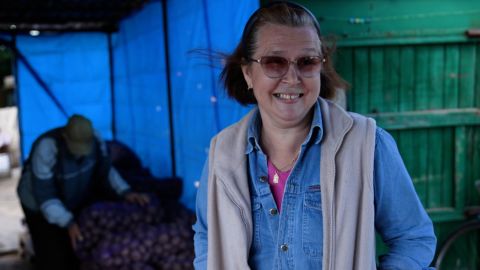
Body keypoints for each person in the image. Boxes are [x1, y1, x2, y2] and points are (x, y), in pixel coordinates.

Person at [193, 2, 436, 270]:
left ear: (320, 68)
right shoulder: (223, 154)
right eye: (274, 62)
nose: (292, 78)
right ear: (248, 73)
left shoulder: (367, 145)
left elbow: (413, 238)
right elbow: (206, 235)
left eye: (307, 62)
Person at [17, 114, 149, 270]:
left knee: (74, 249)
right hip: (37, 204)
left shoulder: (96, 140)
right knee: (52, 254)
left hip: (68, 197)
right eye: (76, 147)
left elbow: (106, 171)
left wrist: (126, 192)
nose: (80, 153)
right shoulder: (46, 147)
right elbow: (45, 196)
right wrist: (68, 222)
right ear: (64, 136)